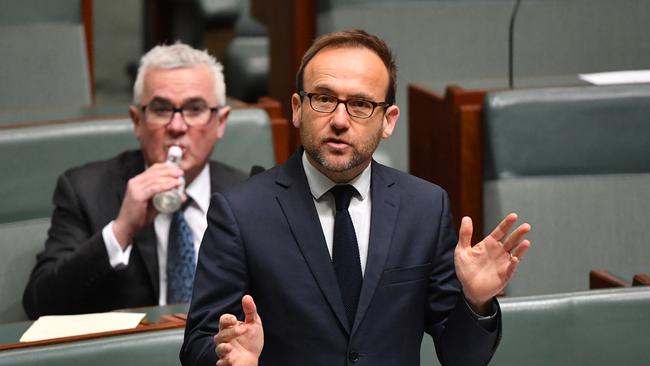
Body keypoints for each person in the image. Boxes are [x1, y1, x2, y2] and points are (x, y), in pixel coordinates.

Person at [181, 30, 531, 366]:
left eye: (361, 104)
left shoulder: (424, 207)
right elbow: (199, 342)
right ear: (297, 108)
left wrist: (475, 301)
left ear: (388, 121)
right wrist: (229, 358)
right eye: (324, 98)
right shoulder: (240, 212)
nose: (339, 120)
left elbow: (461, 357)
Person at [23, 43, 248, 318]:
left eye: (195, 109)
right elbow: (40, 303)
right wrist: (121, 230)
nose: (177, 127)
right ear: (136, 121)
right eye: (161, 110)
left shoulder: (248, 195)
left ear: (221, 122)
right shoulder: (85, 191)